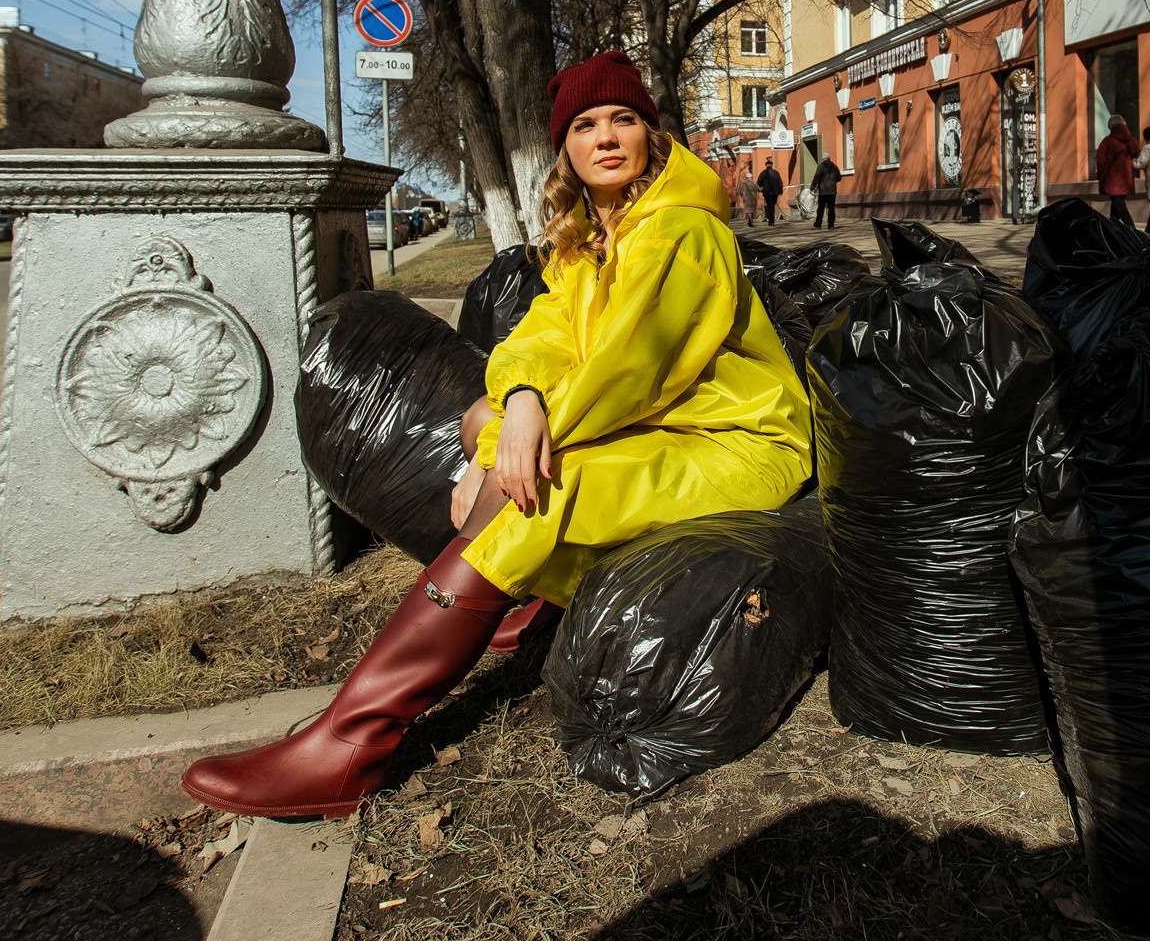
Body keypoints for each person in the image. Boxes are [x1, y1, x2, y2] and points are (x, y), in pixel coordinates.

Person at [180, 51, 811, 819]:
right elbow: (536, 341)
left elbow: (628, 372)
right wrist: (513, 403)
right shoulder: (590, 238)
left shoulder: (681, 231)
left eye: (622, 120)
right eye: (585, 126)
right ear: (565, 149)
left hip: (738, 443)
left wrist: (499, 450)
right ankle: (491, 607)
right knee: (496, 424)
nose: (606, 138)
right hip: (660, 428)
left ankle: (353, 741)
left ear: (650, 134)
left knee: (544, 483)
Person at [1093, 115, 1139, 224]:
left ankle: (1132, 232)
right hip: (1126, 178)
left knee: (1120, 207)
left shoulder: (1107, 141)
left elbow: (1100, 160)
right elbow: (1137, 153)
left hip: (1111, 180)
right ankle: (1112, 229)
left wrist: (1100, 176)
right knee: (1116, 206)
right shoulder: (1130, 140)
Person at [811, 156, 843, 229]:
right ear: (829, 158)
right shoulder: (835, 167)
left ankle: (818, 224)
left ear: (823, 159)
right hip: (832, 191)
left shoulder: (821, 166)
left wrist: (812, 187)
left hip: (823, 191)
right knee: (831, 208)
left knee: (821, 208)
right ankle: (831, 225)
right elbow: (839, 178)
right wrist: (833, 182)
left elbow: (816, 177)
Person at [757, 161, 784, 226]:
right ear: (772, 165)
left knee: (769, 205)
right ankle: (772, 220)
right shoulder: (776, 173)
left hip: (767, 192)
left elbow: (759, 182)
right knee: (773, 206)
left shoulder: (763, 173)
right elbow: (780, 182)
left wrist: (762, 185)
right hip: (775, 192)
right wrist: (780, 191)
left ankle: (770, 221)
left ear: (766, 165)